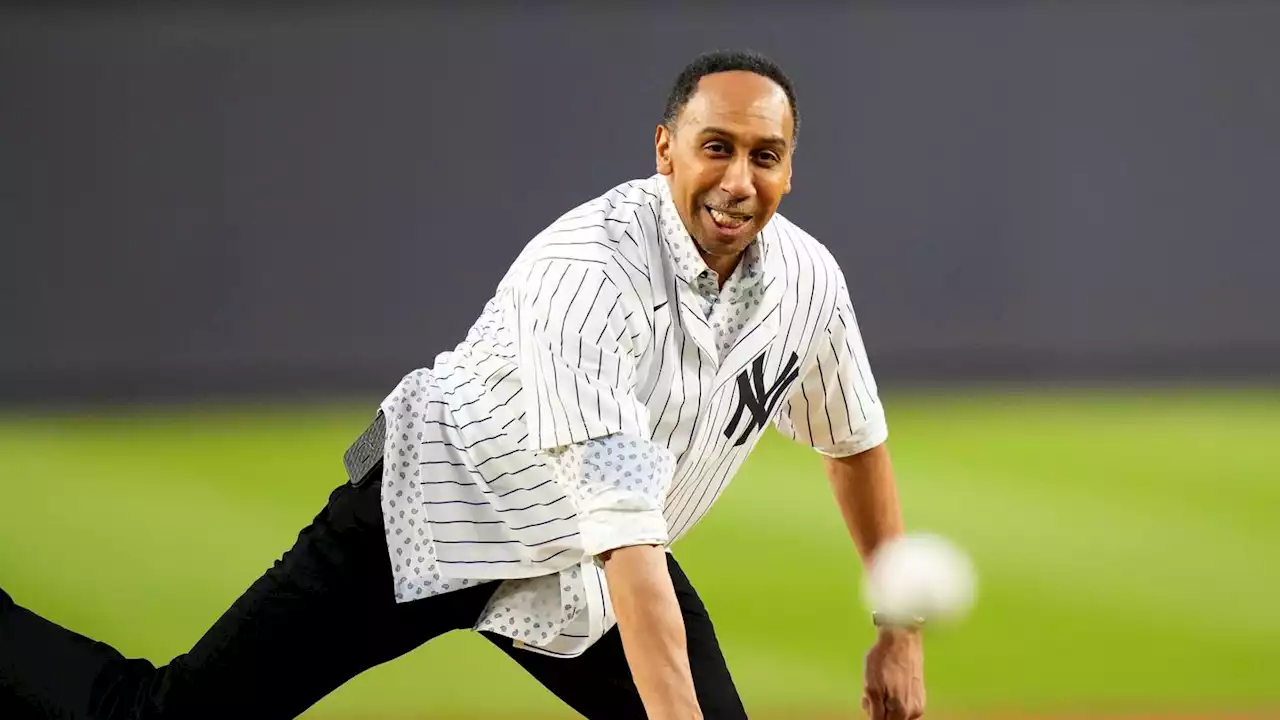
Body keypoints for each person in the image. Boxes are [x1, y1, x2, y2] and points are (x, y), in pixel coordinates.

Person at [0, 49, 925, 720]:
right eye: (714, 146)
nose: (737, 177)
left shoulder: (807, 281)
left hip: (574, 564)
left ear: (791, 169)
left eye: (764, 154)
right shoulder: (589, 275)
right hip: (429, 516)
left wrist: (900, 629)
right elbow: (633, 555)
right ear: (664, 150)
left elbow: (853, 441)